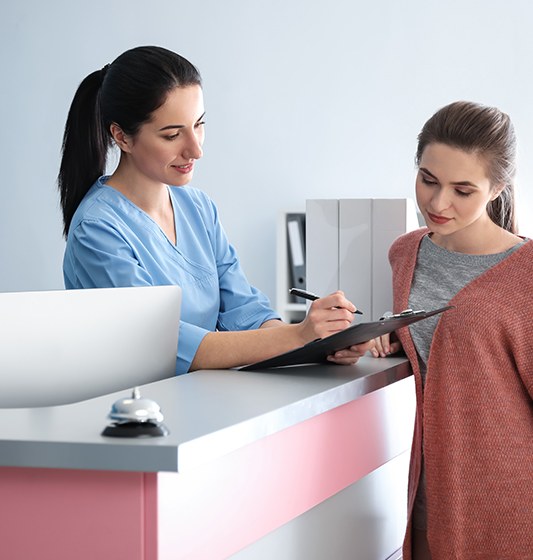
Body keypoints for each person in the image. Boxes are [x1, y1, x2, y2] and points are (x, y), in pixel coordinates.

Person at [58, 46, 372, 375]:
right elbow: (169, 346)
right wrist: (299, 334)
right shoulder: (96, 229)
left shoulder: (198, 208)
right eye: (172, 134)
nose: (196, 149)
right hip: (134, 415)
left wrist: (321, 342)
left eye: (199, 124)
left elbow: (246, 312)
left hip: (203, 403)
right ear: (121, 136)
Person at [373, 101, 533, 559]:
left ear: (497, 187)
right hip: (430, 492)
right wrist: (384, 330)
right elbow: (448, 345)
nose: (438, 203)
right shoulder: (405, 253)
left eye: (463, 190)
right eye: (428, 180)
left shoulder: (526, 274)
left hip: (510, 508)